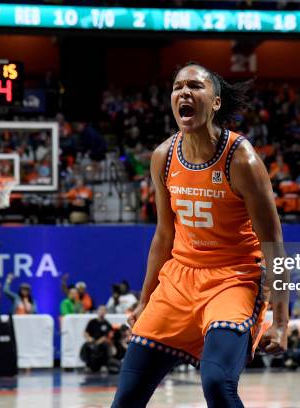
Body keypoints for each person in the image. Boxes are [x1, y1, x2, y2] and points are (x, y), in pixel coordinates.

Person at [112, 62, 288, 407]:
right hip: (179, 280)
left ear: (216, 102)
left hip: (234, 279)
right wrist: (146, 299)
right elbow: (164, 235)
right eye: (178, 87)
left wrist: (280, 322)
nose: (184, 93)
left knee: (216, 382)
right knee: (127, 397)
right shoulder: (163, 157)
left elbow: (274, 246)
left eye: (195, 86)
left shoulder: (242, 160)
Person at [81, 305, 116, 373]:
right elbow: (86, 332)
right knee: (86, 346)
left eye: (104, 310)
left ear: (106, 312)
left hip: (101, 342)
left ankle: (104, 365)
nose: (102, 312)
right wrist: (89, 338)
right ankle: (88, 365)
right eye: (100, 310)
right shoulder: (92, 322)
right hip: (92, 341)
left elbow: (107, 336)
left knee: (105, 346)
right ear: (97, 311)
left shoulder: (107, 324)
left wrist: (98, 342)